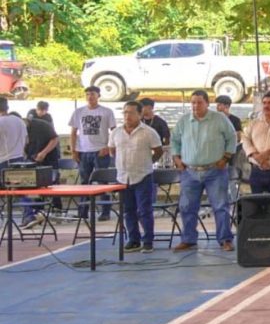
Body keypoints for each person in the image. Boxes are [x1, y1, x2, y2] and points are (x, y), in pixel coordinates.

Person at [171, 90, 238, 252]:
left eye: (199, 102)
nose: (195, 106)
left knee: (220, 206)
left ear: (207, 103)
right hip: (189, 171)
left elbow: (232, 138)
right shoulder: (184, 121)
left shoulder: (219, 119)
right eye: (193, 102)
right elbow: (175, 140)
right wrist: (177, 159)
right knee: (187, 207)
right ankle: (188, 239)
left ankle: (225, 239)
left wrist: (226, 158)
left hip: (215, 170)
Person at [110, 101, 163, 253]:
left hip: (143, 175)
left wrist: (149, 162)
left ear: (140, 114)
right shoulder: (116, 132)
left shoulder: (148, 132)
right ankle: (133, 239)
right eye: (125, 112)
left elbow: (158, 151)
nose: (128, 116)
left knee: (144, 210)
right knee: (128, 210)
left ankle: (148, 241)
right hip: (122, 177)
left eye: (132, 113)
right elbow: (112, 149)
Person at [69, 86, 116, 220]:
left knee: (103, 181)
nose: (90, 97)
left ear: (98, 96)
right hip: (84, 151)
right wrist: (74, 150)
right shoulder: (78, 112)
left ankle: (105, 211)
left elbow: (114, 131)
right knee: (85, 182)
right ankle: (83, 211)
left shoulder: (106, 112)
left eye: (93, 94)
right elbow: (73, 133)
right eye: (88, 94)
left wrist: (108, 146)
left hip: (100, 151)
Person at [20, 108, 60, 227]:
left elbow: (55, 139)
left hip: (49, 160)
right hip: (32, 161)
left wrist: (44, 152)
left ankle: (56, 209)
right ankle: (36, 214)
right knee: (32, 189)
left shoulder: (42, 125)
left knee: (52, 186)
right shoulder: (22, 130)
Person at [0, 98, 29, 223]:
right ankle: (29, 214)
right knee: (20, 189)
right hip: (19, 158)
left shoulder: (1, 122)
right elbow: (26, 140)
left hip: (4, 159)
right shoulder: (19, 121)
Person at [215, 95, 245, 173]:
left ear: (227, 106)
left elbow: (238, 137)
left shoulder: (235, 120)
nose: (217, 107)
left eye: (219, 105)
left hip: (230, 153)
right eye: (217, 105)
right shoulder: (214, 120)